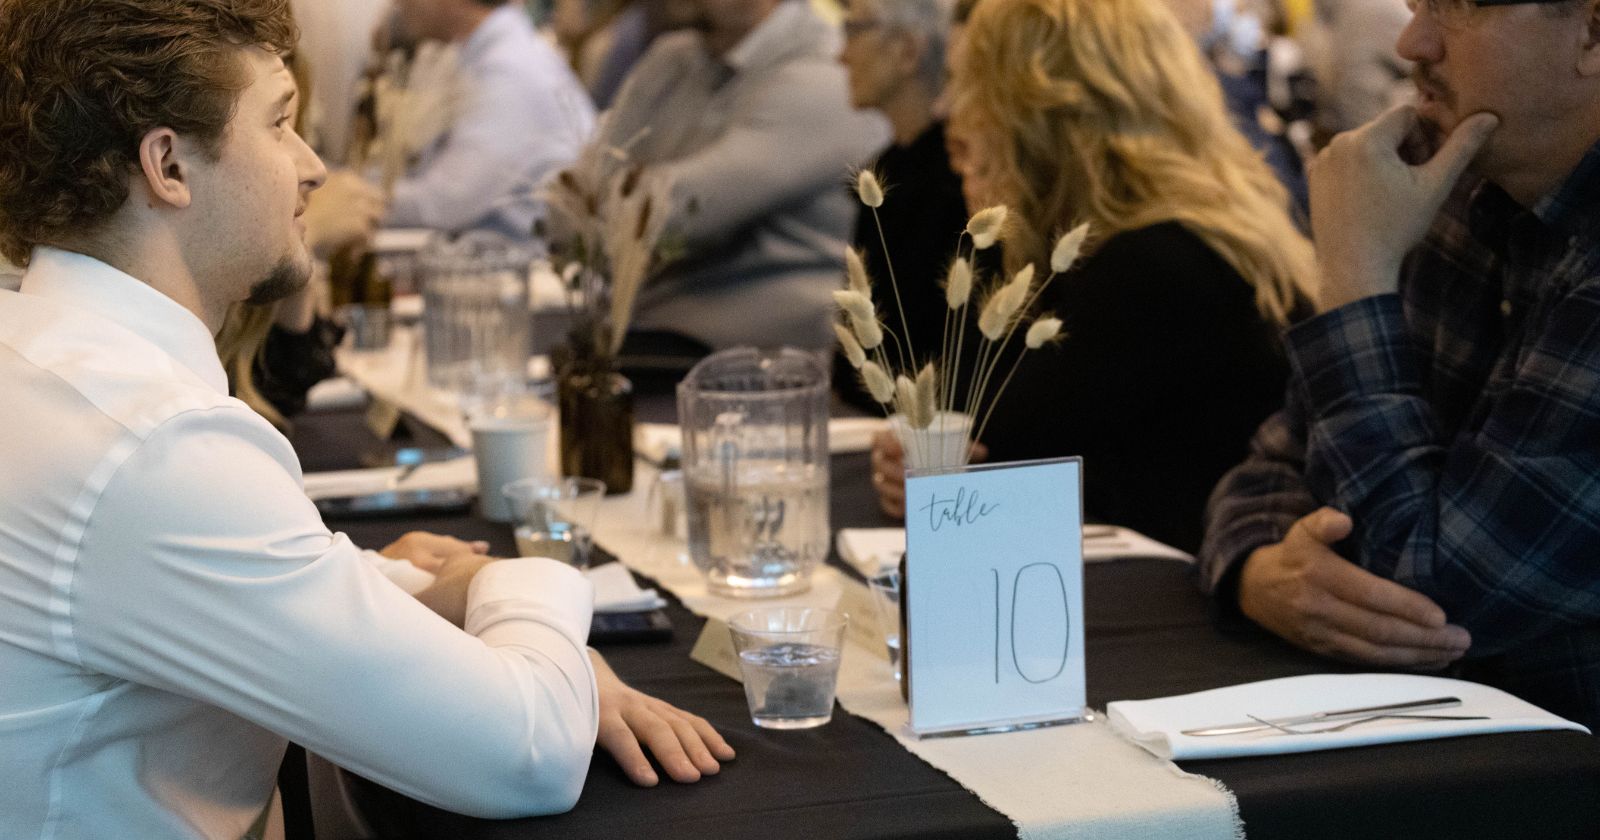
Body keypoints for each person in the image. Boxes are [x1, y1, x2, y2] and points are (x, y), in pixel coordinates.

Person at [0, 2, 732, 837]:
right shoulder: (157, 448)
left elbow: (157, 589)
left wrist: (395, 587)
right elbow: (525, 752)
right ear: (167, 165)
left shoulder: (37, 352)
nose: (311, 166)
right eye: (279, 123)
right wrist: (518, 585)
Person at [1199, 0, 1600, 727]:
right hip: (1425, 755)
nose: (1413, 42)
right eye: (1418, 5)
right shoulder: (1450, 178)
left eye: (1456, 10)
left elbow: (1430, 594)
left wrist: (1354, 277)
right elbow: (1271, 467)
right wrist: (1262, 571)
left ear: (1593, 33)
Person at [870, 0, 1317, 553]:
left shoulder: (1160, 264)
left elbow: (995, 451)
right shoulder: (1157, 234)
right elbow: (965, 426)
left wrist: (937, 458)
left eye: (968, 86)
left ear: (1036, 113)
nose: (946, 110)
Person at [580, 0, 888, 353]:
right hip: (651, 347)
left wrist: (614, 194)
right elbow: (566, 212)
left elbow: (668, 213)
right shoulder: (670, 59)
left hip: (758, 375)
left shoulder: (826, 74)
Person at [833, 0, 967, 410]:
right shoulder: (886, 169)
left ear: (908, 50)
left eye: (854, 31)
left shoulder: (962, 182)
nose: (840, 55)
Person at [386, 0, 595, 236]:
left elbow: (447, 202)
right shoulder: (494, 55)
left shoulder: (509, 71)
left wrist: (350, 201)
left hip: (519, 260)